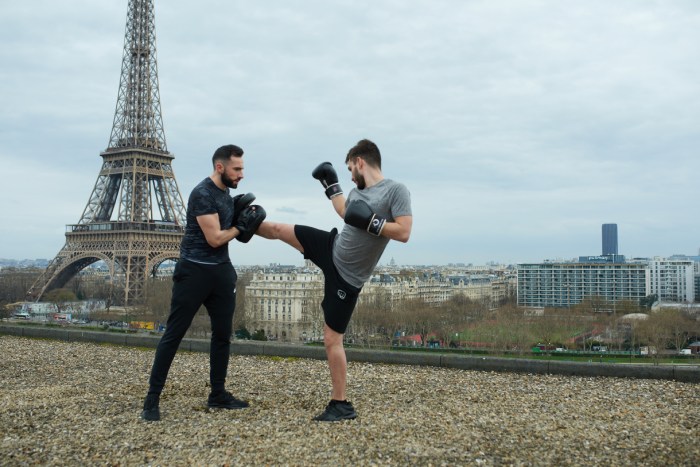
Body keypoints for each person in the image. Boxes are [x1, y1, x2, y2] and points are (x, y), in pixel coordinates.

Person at [256, 139, 412, 421]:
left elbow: (403, 232)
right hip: (332, 247)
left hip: (347, 278)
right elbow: (345, 212)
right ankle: (239, 221)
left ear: (361, 162)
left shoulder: (396, 190)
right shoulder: (356, 191)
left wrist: (372, 222)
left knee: (331, 339)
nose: (352, 175)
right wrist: (331, 186)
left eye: (352, 168)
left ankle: (340, 404)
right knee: (279, 228)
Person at [141, 144, 266, 422]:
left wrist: (245, 219)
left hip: (221, 271)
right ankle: (152, 398)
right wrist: (240, 227)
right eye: (237, 169)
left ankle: (218, 394)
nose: (242, 174)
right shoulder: (202, 193)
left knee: (222, 335)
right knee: (174, 334)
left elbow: (232, 234)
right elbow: (215, 238)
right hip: (194, 271)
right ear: (220, 167)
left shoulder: (226, 194)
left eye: (242, 168)